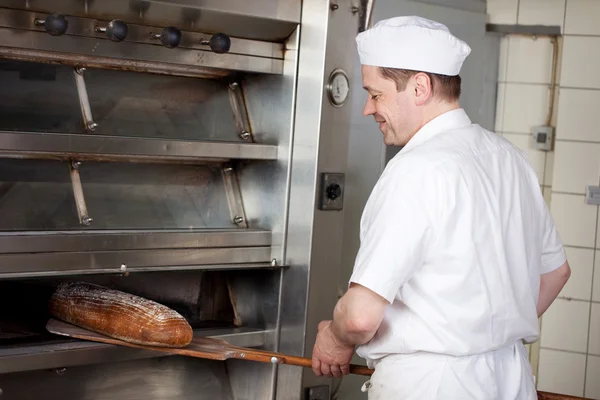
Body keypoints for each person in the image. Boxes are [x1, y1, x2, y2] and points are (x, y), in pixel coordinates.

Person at [311, 16, 571, 400]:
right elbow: (556, 273)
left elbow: (360, 316)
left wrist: (333, 337)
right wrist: (485, 334)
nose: (368, 108)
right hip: (511, 379)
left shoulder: (415, 170)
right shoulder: (509, 158)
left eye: (376, 93)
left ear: (419, 87)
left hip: (431, 385)